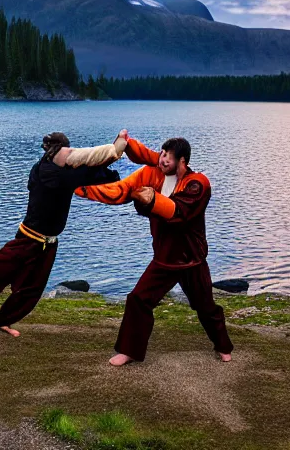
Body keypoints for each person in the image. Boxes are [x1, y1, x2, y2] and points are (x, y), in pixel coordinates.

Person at [0, 131, 127, 336]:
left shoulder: (60, 170)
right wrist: (113, 150)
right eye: (67, 151)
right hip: (27, 242)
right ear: (54, 153)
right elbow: (86, 171)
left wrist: (113, 151)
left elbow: (89, 171)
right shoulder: (48, 172)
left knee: (31, 290)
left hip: (47, 244)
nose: (70, 154)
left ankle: (4, 321)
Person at [76, 134, 234, 365]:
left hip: (192, 260)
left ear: (183, 161)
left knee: (206, 306)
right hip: (164, 258)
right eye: (161, 155)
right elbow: (121, 191)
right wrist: (79, 188)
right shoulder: (152, 174)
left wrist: (150, 200)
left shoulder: (199, 183)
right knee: (138, 300)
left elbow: (178, 213)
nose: (162, 161)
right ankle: (129, 351)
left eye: (168, 158)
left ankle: (223, 345)